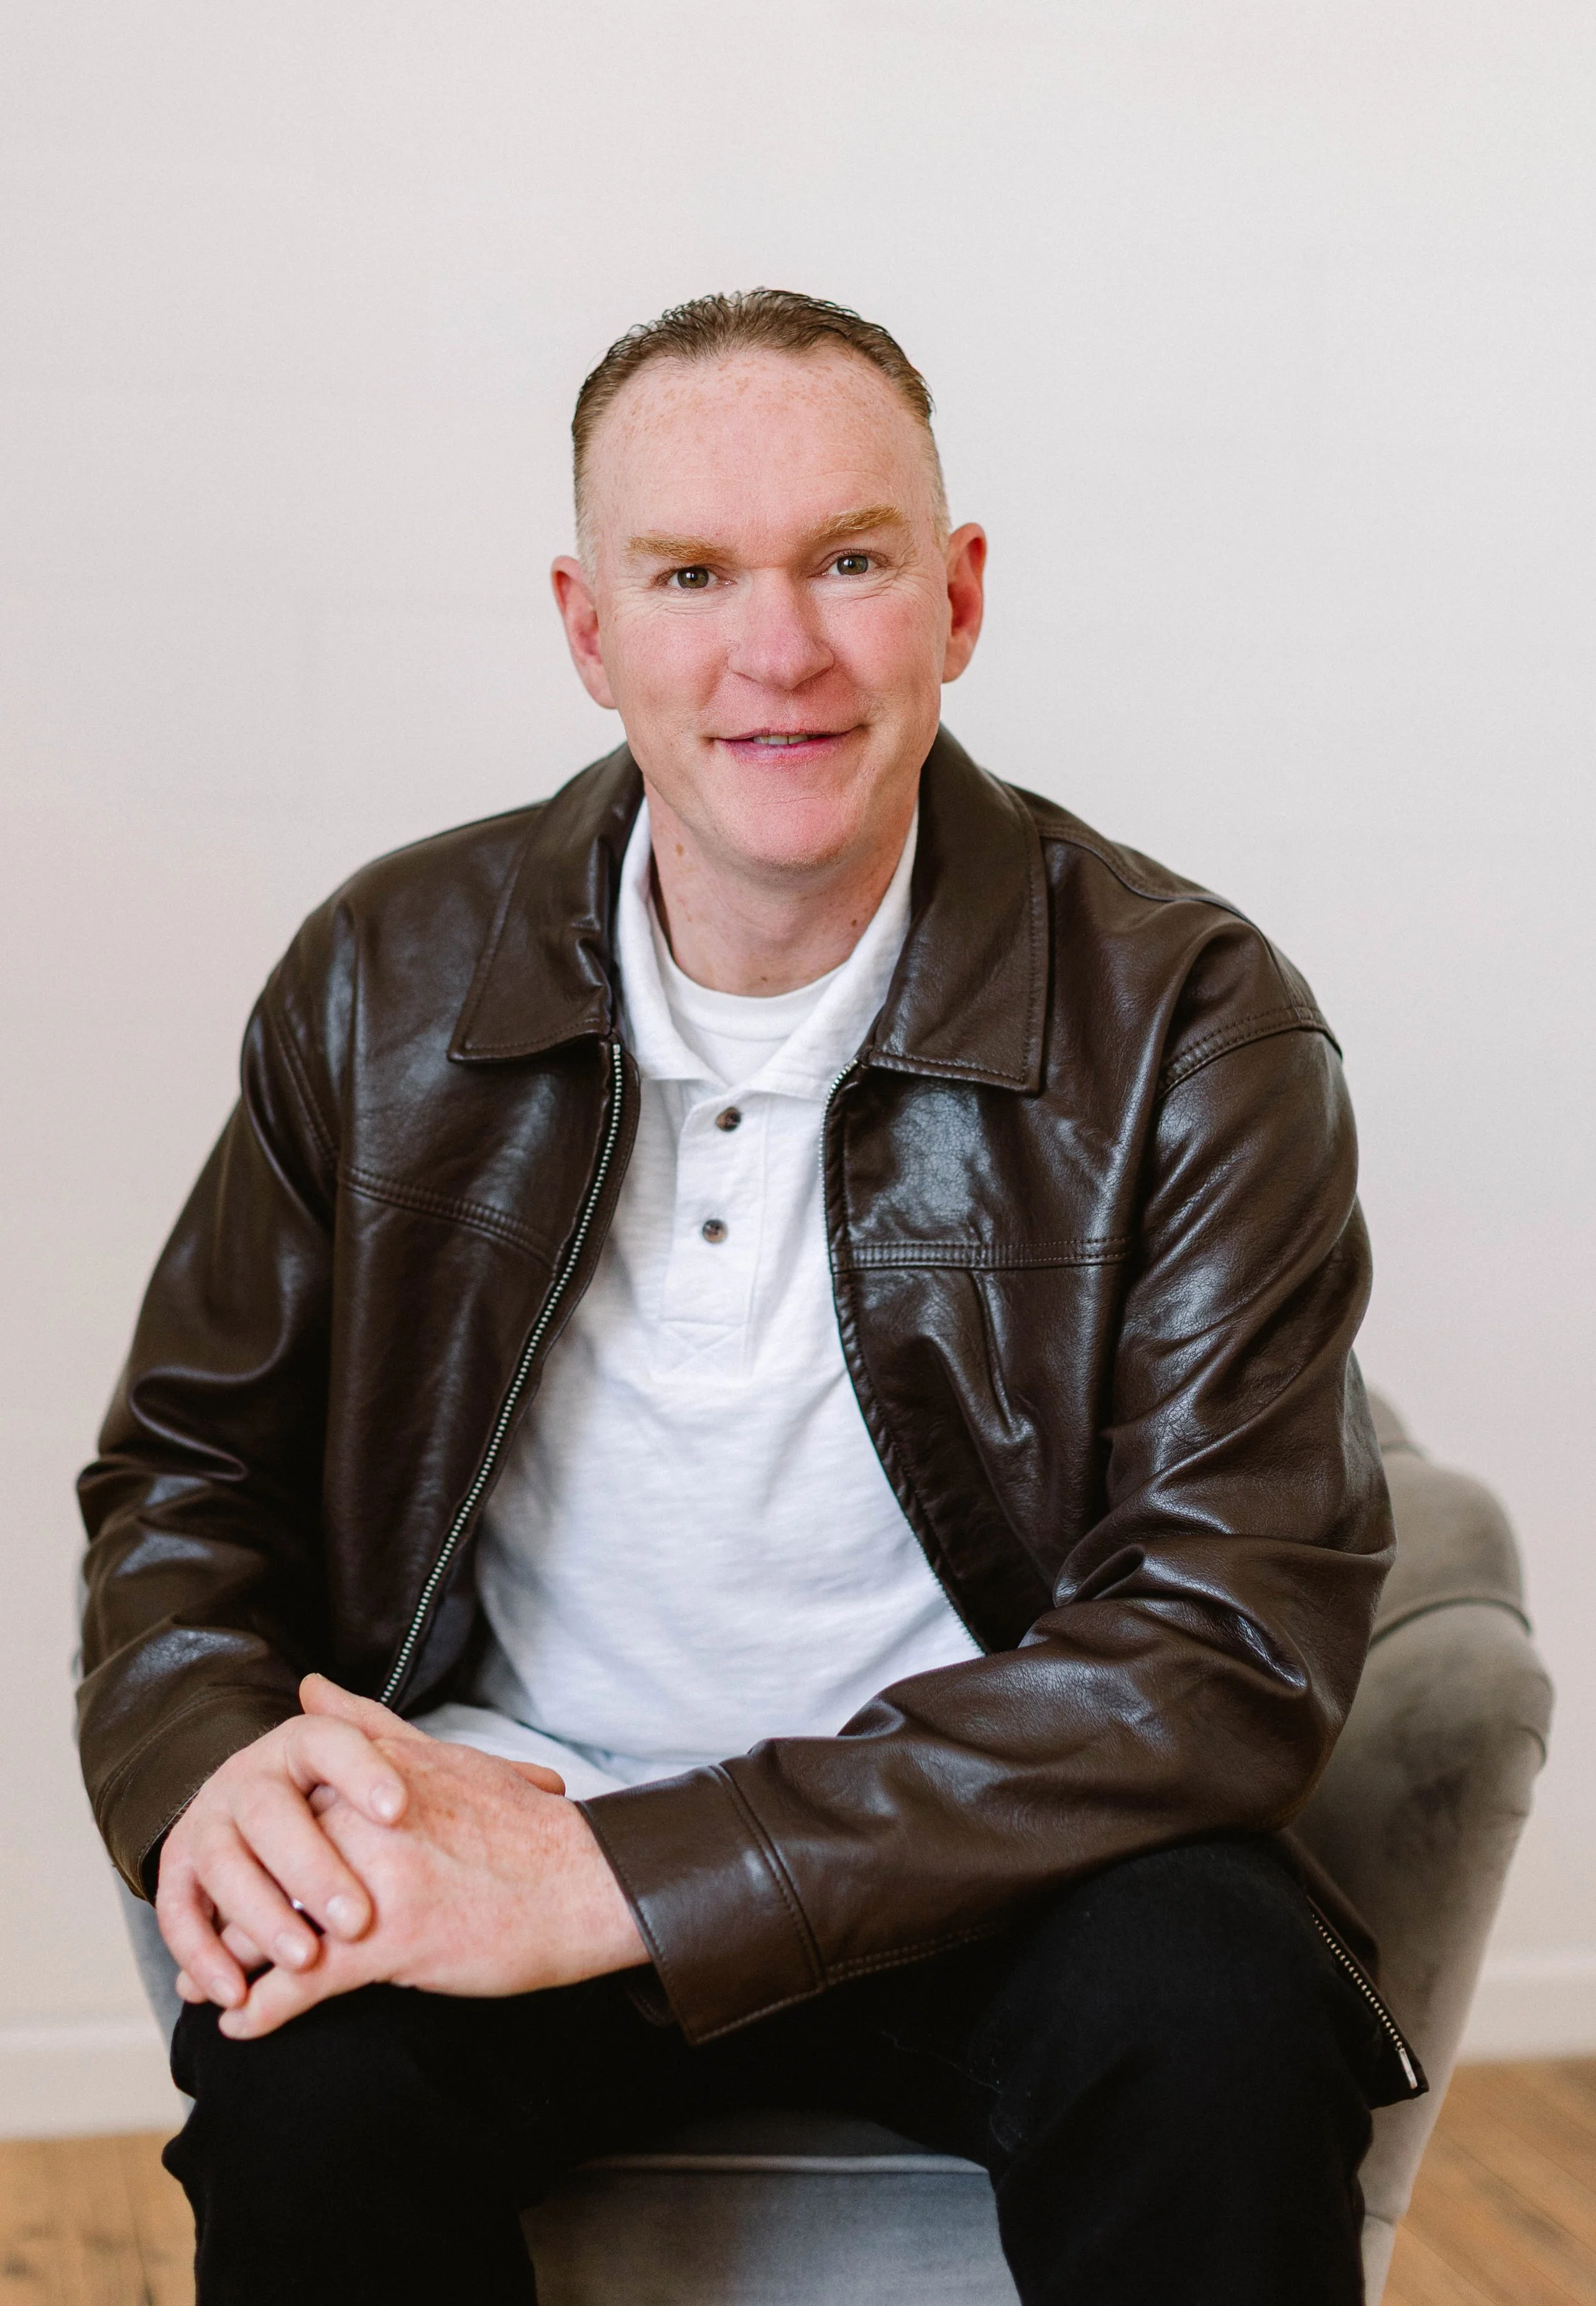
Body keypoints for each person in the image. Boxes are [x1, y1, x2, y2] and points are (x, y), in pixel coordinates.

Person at [78, 289, 1419, 2305]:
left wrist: (629, 1873)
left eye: (850, 561)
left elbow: (1225, 1642)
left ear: (956, 598)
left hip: (990, 1851)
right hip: (494, 1807)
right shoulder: (381, 974)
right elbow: (185, 1479)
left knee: (1216, 2009)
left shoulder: (1192, 1019)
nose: (773, 652)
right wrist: (213, 1760)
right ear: (584, 621)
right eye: (690, 573)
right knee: (312, 2094)